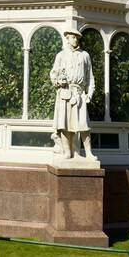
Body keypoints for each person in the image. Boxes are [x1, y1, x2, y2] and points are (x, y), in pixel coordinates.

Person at [49, 28, 94, 160]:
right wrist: (58, 81)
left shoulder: (84, 55)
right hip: (65, 92)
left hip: (79, 94)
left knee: (84, 125)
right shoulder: (61, 55)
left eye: (77, 37)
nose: (76, 39)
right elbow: (53, 74)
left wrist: (89, 94)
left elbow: (90, 77)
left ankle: (88, 152)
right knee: (64, 124)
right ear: (67, 38)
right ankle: (67, 152)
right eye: (73, 37)